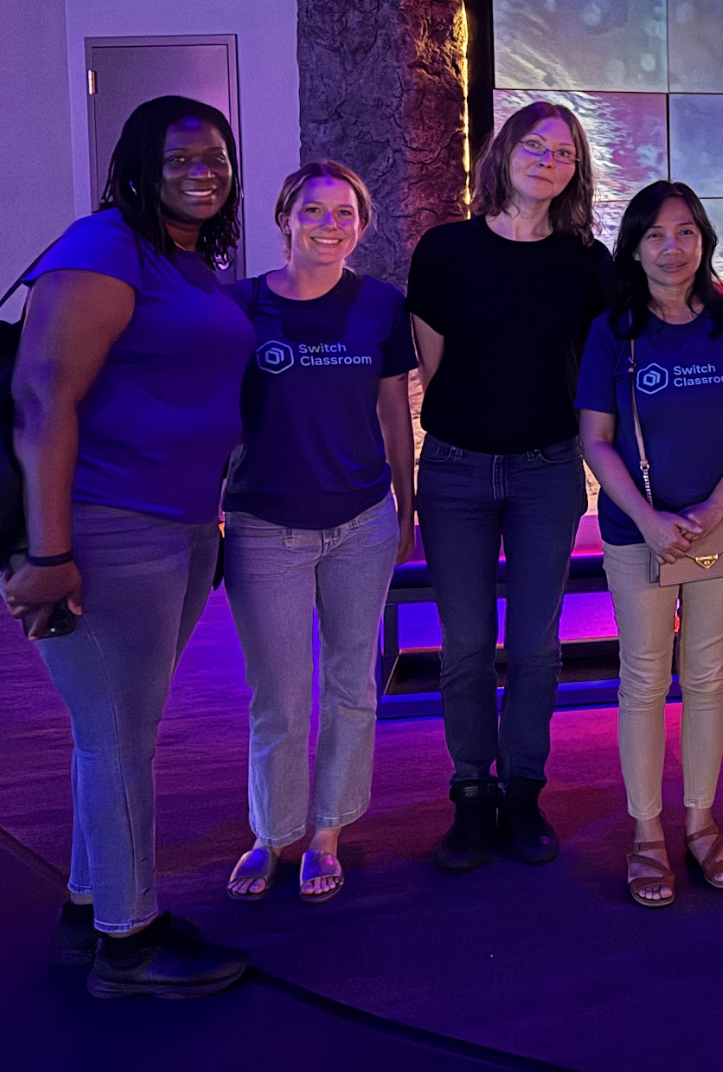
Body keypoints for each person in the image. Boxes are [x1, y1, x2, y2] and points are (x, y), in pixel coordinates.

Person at [3, 96, 256, 997]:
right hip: (106, 525)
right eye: (181, 157)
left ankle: (95, 909)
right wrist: (49, 553)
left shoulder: (182, 259)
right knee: (117, 738)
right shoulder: (104, 245)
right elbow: (43, 395)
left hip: (176, 525)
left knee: (116, 730)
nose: (203, 171)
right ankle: (130, 945)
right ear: (139, 166)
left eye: (216, 157)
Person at [406, 100, 613, 872]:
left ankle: (523, 789)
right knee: (464, 647)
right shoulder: (445, 250)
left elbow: (597, 366)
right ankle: (471, 791)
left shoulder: (586, 262)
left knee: (534, 648)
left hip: (546, 471)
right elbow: (435, 366)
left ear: (575, 171)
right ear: (503, 151)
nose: (548, 161)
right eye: (535, 146)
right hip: (455, 470)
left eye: (564, 153)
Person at [221, 162, 418, 905]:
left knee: (350, 685)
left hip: (361, 522)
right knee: (277, 695)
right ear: (285, 219)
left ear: (362, 227)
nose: (329, 225)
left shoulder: (380, 305)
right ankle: (272, 834)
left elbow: (393, 410)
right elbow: (212, 415)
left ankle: (328, 832)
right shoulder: (241, 306)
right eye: (313, 211)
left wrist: (407, 501)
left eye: (344, 214)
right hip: (263, 526)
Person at [577, 181, 723, 908]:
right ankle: (646, 833)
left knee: (708, 677)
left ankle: (699, 822)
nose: (672, 247)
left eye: (686, 231)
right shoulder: (613, 330)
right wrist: (651, 519)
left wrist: (718, 506)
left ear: (704, 239)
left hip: (717, 529)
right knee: (643, 677)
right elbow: (596, 440)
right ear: (634, 247)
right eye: (656, 234)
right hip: (640, 532)